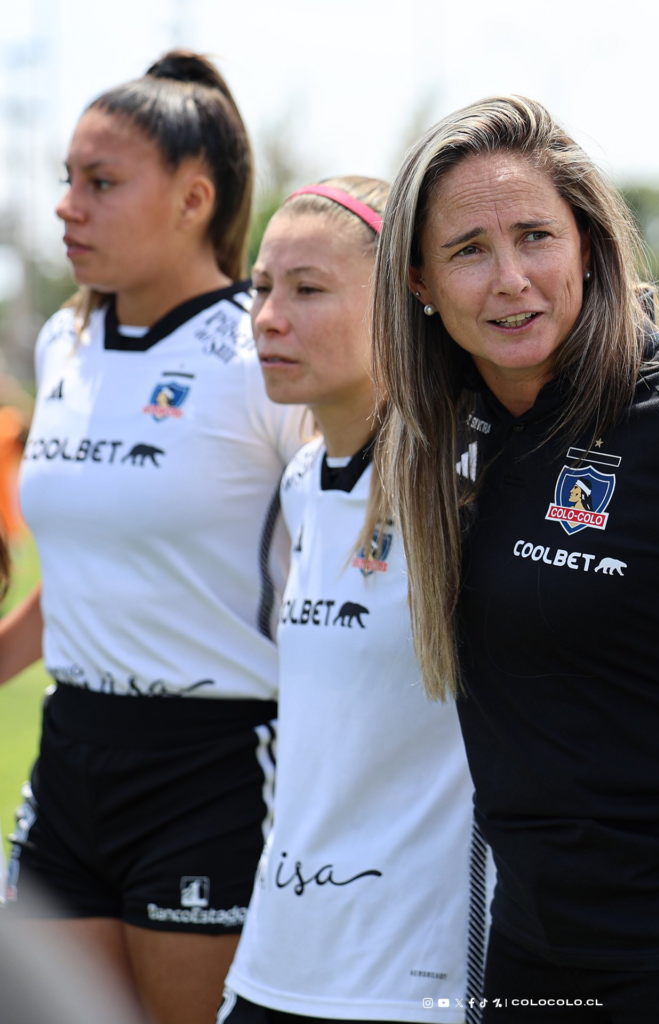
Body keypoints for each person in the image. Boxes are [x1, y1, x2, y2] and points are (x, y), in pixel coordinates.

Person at [372, 95, 659, 1023]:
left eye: (536, 235)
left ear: (589, 246)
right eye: (468, 251)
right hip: (537, 940)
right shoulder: (445, 437)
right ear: (419, 280)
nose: (510, 280)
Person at [0, 52, 303, 1024]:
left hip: (213, 762)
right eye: (66, 181)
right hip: (72, 749)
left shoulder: (267, 352)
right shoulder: (64, 343)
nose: (66, 209)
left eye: (101, 183)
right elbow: (95, 572)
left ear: (193, 197)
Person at [220, 177, 493, 1024]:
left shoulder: (473, 479)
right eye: (263, 288)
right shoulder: (303, 479)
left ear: (402, 304)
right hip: (278, 958)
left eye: (308, 290)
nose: (268, 316)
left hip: (413, 978)